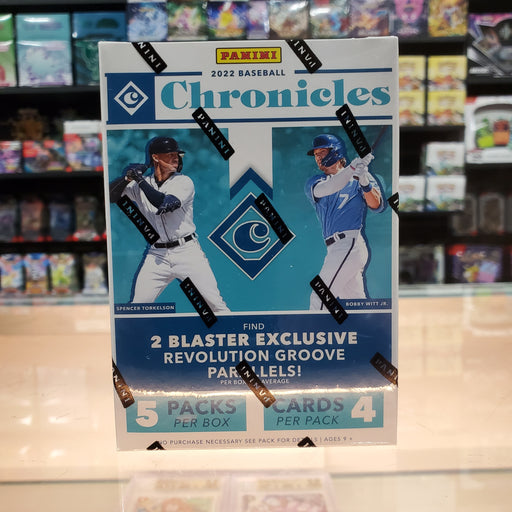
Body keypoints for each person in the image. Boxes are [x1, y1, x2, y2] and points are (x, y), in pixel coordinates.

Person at [109, 136, 229, 312]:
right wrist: (127, 178)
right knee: (138, 307)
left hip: (187, 251)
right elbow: (111, 196)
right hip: (157, 255)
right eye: (170, 154)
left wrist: (140, 180)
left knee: (216, 306)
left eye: (177, 154)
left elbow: (164, 204)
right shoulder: (142, 184)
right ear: (155, 157)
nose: (176, 158)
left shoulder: (183, 181)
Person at [304, 133, 384, 309]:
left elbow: (376, 205)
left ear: (336, 152)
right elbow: (331, 186)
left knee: (320, 298)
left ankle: (315, 328)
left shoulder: (361, 175)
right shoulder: (316, 181)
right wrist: (352, 169)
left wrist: (364, 182)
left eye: (322, 152)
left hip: (349, 244)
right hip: (336, 248)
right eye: (316, 154)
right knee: (357, 305)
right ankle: (367, 327)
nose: (318, 157)